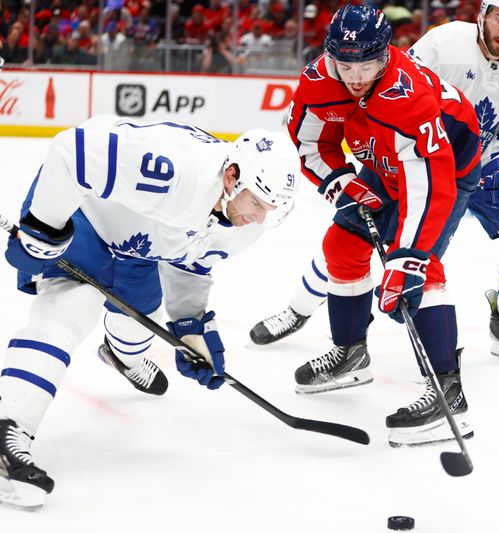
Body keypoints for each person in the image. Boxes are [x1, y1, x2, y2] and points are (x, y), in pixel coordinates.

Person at [0, 115, 300, 509]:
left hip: (140, 243)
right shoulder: (176, 171)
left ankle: (121, 356)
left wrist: (191, 329)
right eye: (257, 204)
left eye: (272, 208)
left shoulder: (247, 221)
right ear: (231, 177)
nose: (259, 217)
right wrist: (44, 225)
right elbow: (72, 152)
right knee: (71, 308)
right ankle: (12, 425)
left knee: (145, 319)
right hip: (85, 215)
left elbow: (191, 263)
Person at [251, 0, 499, 363]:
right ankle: (300, 308)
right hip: (405, 153)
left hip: (476, 167)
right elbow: (392, 90)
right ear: (484, 16)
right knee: (353, 230)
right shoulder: (446, 40)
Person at [275, 4, 482, 447]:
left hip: (443, 170)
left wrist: (406, 258)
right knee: (341, 245)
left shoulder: (407, 96)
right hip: (381, 164)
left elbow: (430, 184)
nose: (354, 75)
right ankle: (351, 354)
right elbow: (310, 140)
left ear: (385, 54)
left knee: (419, 268)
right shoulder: (318, 81)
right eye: (344, 63)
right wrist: (337, 179)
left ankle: (449, 391)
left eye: (366, 63)